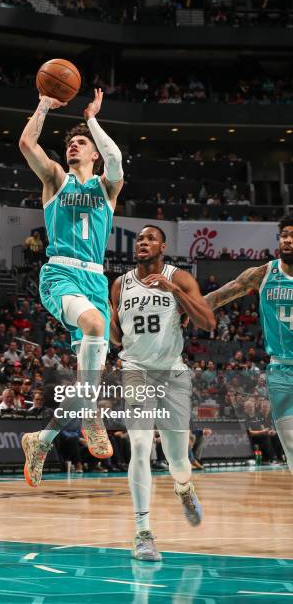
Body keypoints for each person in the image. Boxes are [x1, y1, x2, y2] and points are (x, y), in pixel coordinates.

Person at [19, 88, 123, 487]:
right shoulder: (56, 180)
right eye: (71, 143)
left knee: (85, 378)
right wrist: (44, 103)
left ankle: (41, 441)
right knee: (97, 326)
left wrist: (93, 121)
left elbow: (115, 160)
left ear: (93, 152)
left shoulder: (107, 188)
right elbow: (28, 143)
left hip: (94, 279)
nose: (73, 147)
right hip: (61, 273)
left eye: (81, 143)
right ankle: (92, 415)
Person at [110, 225, 215, 561]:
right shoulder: (120, 284)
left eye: (150, 238)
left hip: (172, 372)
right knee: (140, 447)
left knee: (178, 459)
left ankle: (184, 487)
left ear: (163, 246)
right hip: (136, 370)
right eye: (139, 239)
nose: (143, 242)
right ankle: (142, 533)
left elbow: (208, 322)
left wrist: (175, 292)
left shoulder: (179, 277)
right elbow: (116, 336)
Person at [205, 216, 293, 475]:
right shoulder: (264, 274)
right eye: (284, 234)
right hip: (281, 371)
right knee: (290, 444)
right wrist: (188, 308)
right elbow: (223, 293)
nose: (288, 239)